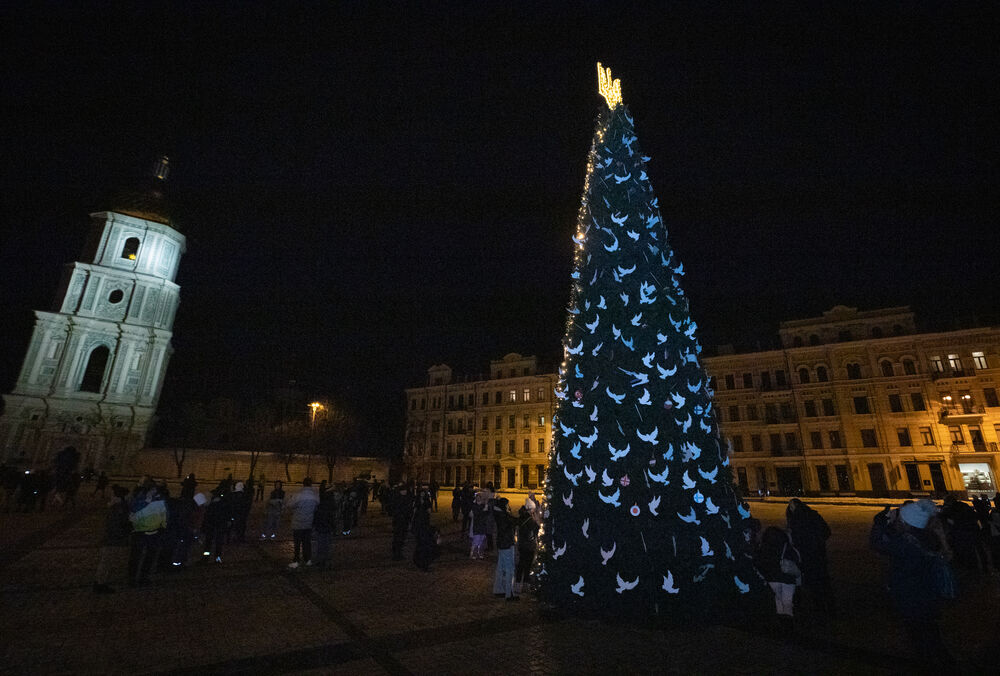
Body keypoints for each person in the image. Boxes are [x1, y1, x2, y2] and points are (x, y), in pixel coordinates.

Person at [870, 499, 956, 670]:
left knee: (920, 638)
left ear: (907, 522)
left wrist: (879, 523)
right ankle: (946, 664)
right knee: (931, 633)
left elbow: (878, 544)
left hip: (912, 598)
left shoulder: (906, 544)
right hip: (929, 596)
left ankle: (933, 666)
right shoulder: (927, 537)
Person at [785, 499, 834, 614]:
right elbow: (827, 531)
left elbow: (795, 540)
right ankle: (831, 608)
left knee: (813, 583)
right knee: (824, 582)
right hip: (819, 554)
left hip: (806, 556)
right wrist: (819, 542)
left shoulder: (795, 520)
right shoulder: (814, 515)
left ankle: (819, 609)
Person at [753, 526, 801, 632]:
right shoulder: (787, 547)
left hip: (773, 578)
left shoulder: (765, 548)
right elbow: (797, 560)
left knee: (778, 600)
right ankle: (789, 624)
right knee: (787, 602)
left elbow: (760, 562)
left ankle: (781, 623)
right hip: (788, 579)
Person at [127, 480, 168, 585]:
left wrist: (163, 526)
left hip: (154, 532)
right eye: (153, 489)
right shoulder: (140, 498)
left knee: (149, 556)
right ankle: (132, 578)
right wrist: (146, 501)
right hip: (140, 531)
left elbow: (164, 513)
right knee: (136, 556)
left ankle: (143, 577)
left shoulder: (160, 499)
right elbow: (133, 509)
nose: (155, 491)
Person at [93, 485, 131, 593]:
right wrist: (125, 531)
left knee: (106, 562)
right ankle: (100, 584)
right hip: (112, 539)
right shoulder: (118, 508)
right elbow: (116, 525)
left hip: (111, 538)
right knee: (106, 562)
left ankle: (100, 582)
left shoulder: (116, 507)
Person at [286, 478, 319, 569]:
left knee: (297, 543)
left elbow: (289, 505)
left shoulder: (298, 495)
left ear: (303, 484)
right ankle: (308, 559)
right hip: (309, 522)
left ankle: (296, 560)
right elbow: (317, 507)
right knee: (307, 542)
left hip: (298, 522)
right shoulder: (315, 496)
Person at [492, 497, 517, 600]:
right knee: (509, 568)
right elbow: (515, 521)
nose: (508, 506)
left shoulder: (499, 514)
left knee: (501, 567)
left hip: (502, 543)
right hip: (507, 543)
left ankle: (498, 589)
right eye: (507, 504)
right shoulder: (503, 516)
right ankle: (508, 593)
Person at [514, 505, 539, 594]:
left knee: (520, 565)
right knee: (528, 566)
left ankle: (517, 585)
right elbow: (536, 529)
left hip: (521, 545)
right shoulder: (531, 521)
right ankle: (525, 585)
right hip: (529, 546)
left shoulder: (520, 520)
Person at [312, 481, 336, 570]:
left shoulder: (321, 499)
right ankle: (325, 561)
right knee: (326, 544)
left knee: (321, 543)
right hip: (326, 524)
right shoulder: (329, 500)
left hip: (322, 523)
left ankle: (321, 560)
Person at [412, 490, 438, 571]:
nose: (422, 494)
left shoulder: (427, 501)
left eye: (423, 493)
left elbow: (429, 511)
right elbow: (414, 509)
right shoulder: (417, 500)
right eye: (421, 492)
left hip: (424, 520)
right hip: (418, 520)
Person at [390, 483, 414, 561]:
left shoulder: (406, 498)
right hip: (399, 521)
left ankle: (398, 552)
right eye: (404, 491)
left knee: (402, 537)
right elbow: (395, 510)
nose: (405, 492)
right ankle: (396, 553)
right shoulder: (398, 499)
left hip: (404, 521)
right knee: (398, 537)